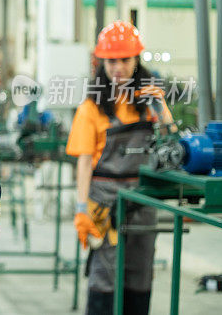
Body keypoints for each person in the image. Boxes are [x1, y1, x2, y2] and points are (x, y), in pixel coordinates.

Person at [67, 21, 173, 315]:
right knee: (105, 274)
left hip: (142, 198)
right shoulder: (91, 107)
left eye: (125, 60)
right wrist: (81, 207)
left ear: (136, 60)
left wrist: (160, 108)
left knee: (140, 272)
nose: (118, 67)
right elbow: (85, 161)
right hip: (105, 202)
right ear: (102, 62)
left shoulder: (150, 100)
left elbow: (171, 140)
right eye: (111, 60)